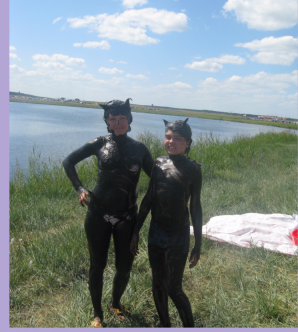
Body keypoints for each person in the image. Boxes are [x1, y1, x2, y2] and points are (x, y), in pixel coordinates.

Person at [62, 99, 153, 327]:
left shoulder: (140, 150)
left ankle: (115, 303)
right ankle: (97, 313)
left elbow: (157, 180)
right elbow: (68, 161)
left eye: (122, 118)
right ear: (107, 122)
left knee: (124, 267)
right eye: (113, 119)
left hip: (127, 217)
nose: (118, 122)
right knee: (97, 266)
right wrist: (80, 188)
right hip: (98, 214)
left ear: (129, 120)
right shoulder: (99, 143)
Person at [130, 119, 202, 327]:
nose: (171, 142)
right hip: (156, 232)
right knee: (157, 283)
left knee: (173, 287)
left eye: (177, 139)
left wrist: (197, 244)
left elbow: (195, 208)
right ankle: (164, 323)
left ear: (188, 143)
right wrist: (136, 230)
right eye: (168, 137)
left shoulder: (193, 169)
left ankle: (189, 326)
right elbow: (149, 198)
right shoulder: (158, 164)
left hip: (178, 235)